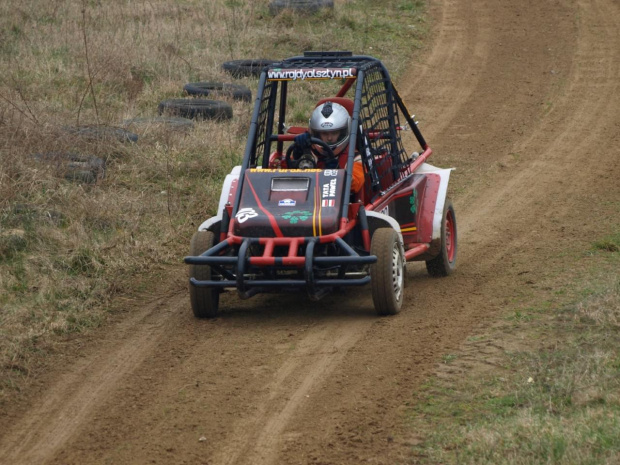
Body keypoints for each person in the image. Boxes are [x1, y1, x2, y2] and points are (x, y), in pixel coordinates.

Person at [292, 101, 365, 193]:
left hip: (342, 204)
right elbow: (287, 178)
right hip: (306, 202)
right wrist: (297, 155)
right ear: (317, 133)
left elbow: (354, 184)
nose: (329, 138)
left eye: (334, 133)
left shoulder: (354, 158)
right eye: (324, 133)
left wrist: (336, 172)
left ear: (342, 133)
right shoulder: (310, 153)